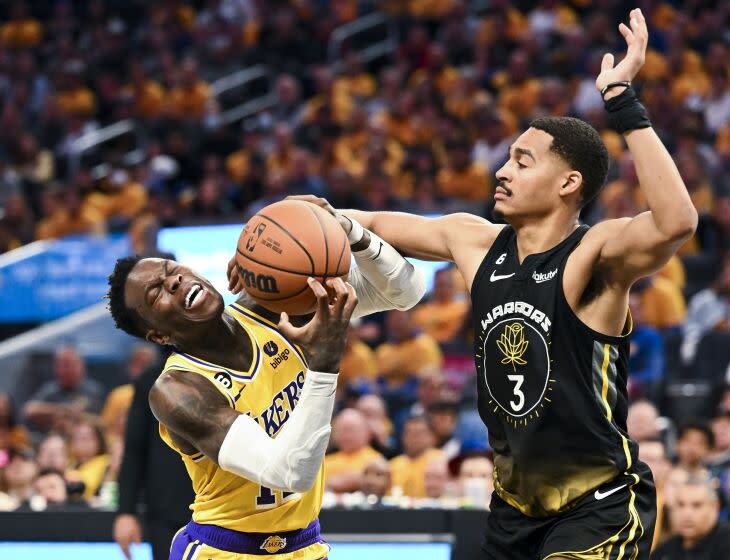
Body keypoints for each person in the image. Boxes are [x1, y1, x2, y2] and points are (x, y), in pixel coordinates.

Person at [291, 9, 695, 557]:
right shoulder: (473, 240)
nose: (502, 171)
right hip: (513, 507)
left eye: (522, 163)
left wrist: (621, 98)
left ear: (568, 183)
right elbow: (379, 224)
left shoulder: (593, 255)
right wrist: (309, 216)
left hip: (598, 503)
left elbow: (676, 222)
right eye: (506, 158)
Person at [106, 215, 425, 559]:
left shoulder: (273, 308)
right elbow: (289, 471)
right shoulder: (177, 390)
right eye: (157, 293)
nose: (174, 281)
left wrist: (345, 227)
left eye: (173, 269)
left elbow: (405, 291)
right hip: (225, 550)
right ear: (159, 335)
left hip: (305, 545)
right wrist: (324, 364)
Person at [113, 357, 195, 560]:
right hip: (167, 512)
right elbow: (134, 449)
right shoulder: (151, 379)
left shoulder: (228, 370)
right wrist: (126, 511)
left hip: (223, 510)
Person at [651, 476, 730, 560]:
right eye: (681, 505)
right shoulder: (664, 551)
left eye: (696, 505)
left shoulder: (726, 543)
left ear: (715, 507)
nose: (686, 513)